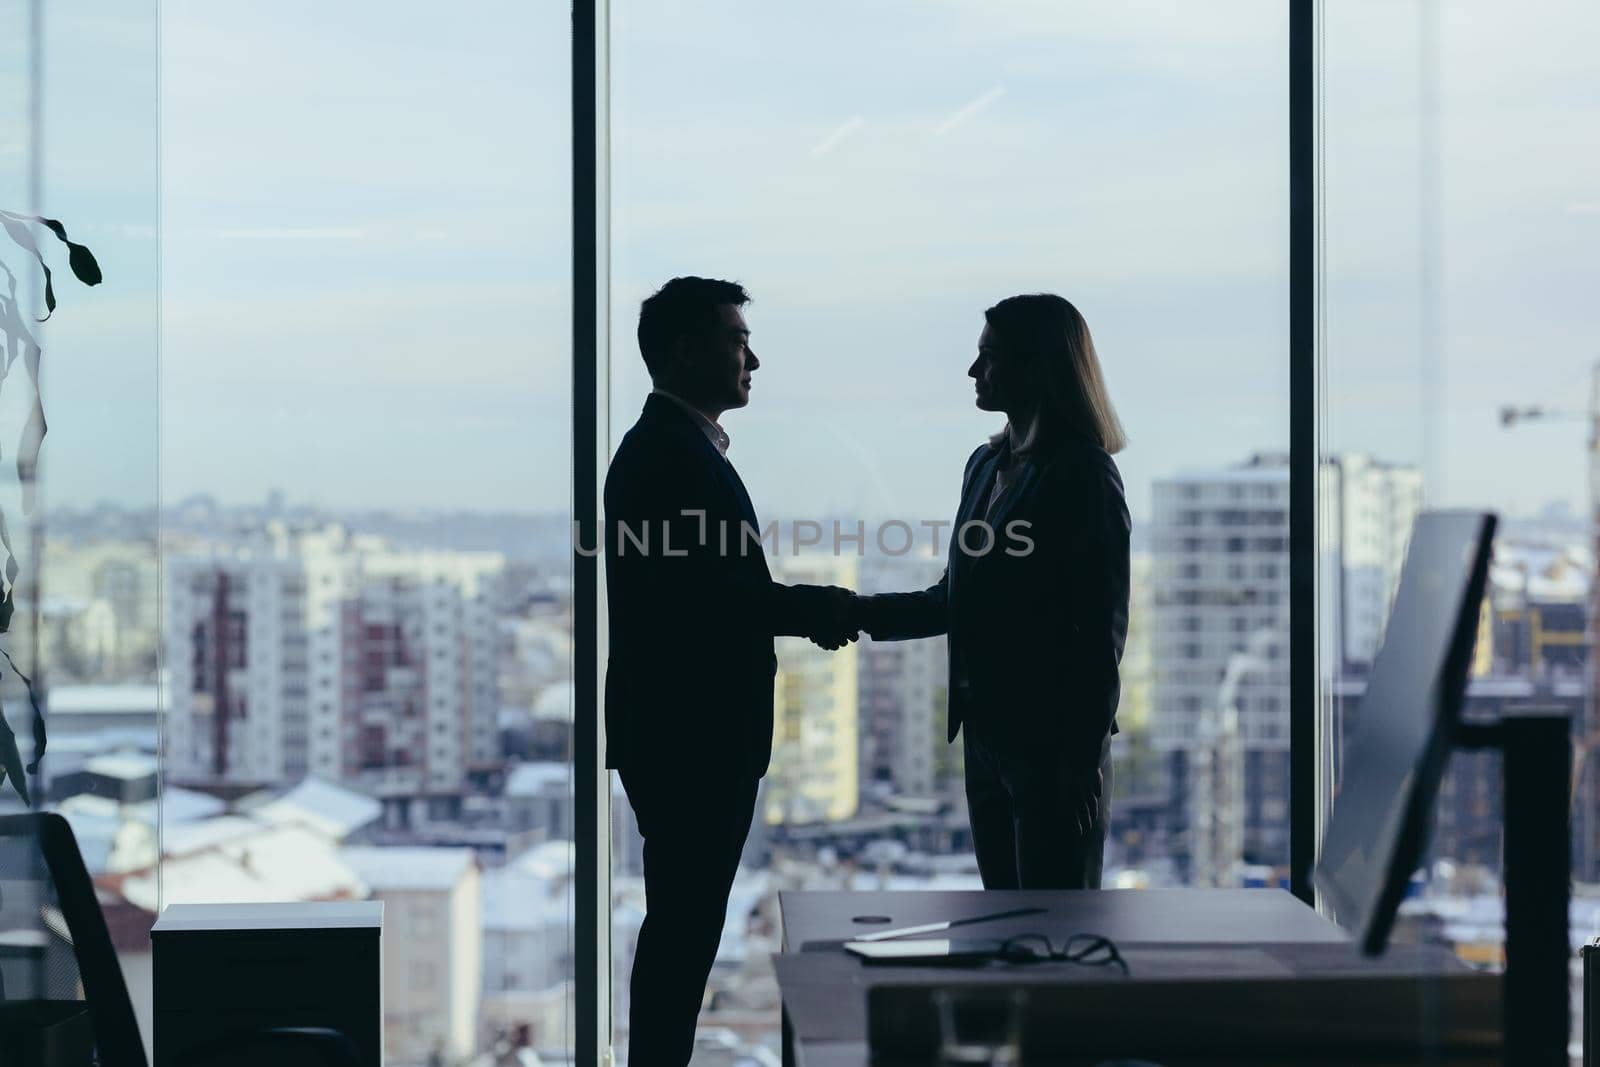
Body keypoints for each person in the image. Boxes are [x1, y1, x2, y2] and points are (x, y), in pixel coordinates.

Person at [604, 276, 857, 1066]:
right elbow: (719, 601)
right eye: (735, 338)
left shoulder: (672, 449)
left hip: (682, 732)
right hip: (693, 737)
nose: (753, 356)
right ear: (685, 350)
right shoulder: (672, 458)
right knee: (684, 934)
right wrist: (826, 608)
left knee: (683, 929)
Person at [857, 293, 1130, 890]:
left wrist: (1081, 760)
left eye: (991, 356)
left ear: (1037, 366)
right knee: (1003, 925)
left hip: (1055, 753)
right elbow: (954, 600)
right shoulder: (984, 468)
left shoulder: (1082, 473)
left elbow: (1100, 631)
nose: (974, 371)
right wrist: (845, 610)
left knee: (1053, 939)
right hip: (987, 741)